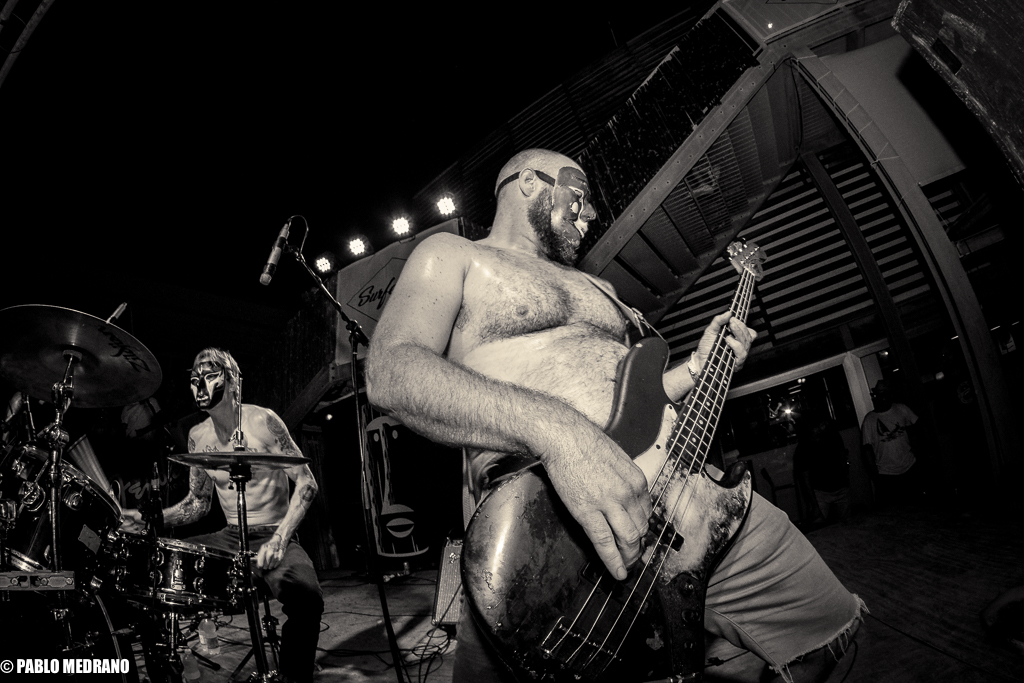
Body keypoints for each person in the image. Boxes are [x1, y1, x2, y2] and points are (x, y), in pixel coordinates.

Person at [365, 148, 865, 683]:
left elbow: (634, 395)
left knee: (830, 628)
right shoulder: (454, 255)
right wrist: (560, 434)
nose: (591, 214)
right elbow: (392, 372)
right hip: (551, 530)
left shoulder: (600, 289)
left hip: (686, 497)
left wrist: (696, 368)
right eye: (579, 197)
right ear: (529, 182)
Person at [122, 348, 324, 683]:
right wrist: (149, 519)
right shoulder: (198, 436)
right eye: (193, 379)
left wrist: (280, 539)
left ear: (233, 382)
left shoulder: (263, 421)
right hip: (229, 535)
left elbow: (307, 482)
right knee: (155, 576)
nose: (199, 384)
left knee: (307, 600)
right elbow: (197, 503)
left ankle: (294, 676)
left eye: (210, 375)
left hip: (275, 532)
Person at [860, 378, 921, 509]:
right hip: (887, 475)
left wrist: (918, 452)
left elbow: (917, 428)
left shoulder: (902, 409)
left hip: (909, 467)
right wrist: (876, 477)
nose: (880, 398)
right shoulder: (870, 420)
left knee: (916, 507)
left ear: (890, 395)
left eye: (883, 394)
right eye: (877, 394)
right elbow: (867, 450)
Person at [794, 411, 851, 524]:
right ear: (812, 427)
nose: (824, 426)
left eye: (824, 424)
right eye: (821, 425)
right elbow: (805, 479)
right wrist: (814, 504)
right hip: (821, 493)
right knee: (819, 526)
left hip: (840, 488)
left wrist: (845, 480)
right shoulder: (803, 448)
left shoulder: (833, 437)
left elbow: (842, 458)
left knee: (846, 526)